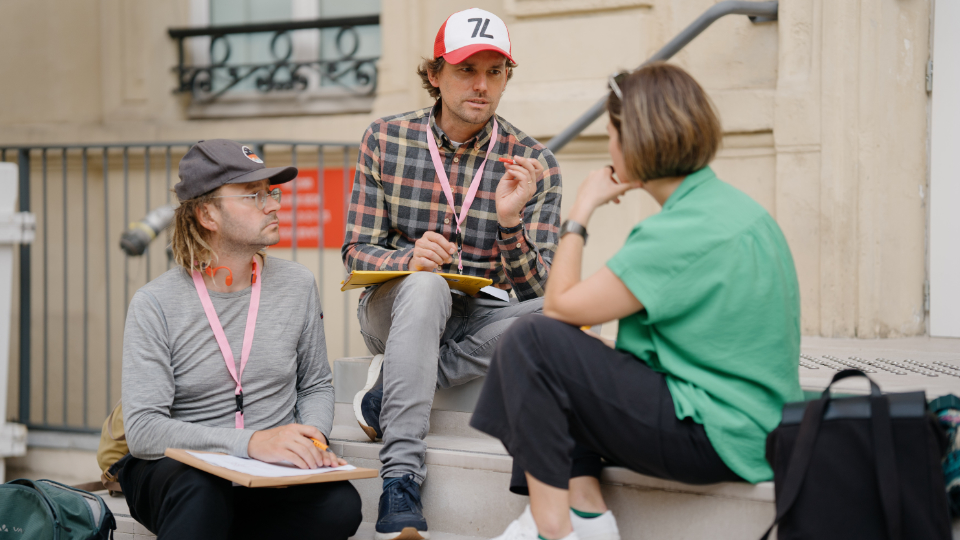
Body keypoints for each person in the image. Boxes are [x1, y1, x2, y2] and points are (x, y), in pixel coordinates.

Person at [471, 63, 804, 540]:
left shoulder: (678, 232)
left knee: (531, 340)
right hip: (756, 426)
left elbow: (558, 305)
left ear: (635, 139)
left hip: (716, 435)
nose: (609, 148)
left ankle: (551, 529)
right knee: (562, 355)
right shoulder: (736, 209)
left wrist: (580, 212)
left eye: (611, 135)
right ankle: (587, 514)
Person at [341, 8, 562, 539]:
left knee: (568, 313)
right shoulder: (386, 139)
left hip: (482, 317)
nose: (481, 85)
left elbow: (539, 292)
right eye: (466, 70)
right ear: (435, 74)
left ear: (506, 78)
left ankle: (397, 383)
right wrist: (408, 261)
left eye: (495, 71)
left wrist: (510, 222)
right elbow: (355, 252)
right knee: (425, 285)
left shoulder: (534, 163)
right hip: (397, 308)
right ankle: (401, 477)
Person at [120, 139, 362, 540]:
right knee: (202, 492)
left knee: (341, 507)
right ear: (207, 213)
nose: (272, 205)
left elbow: (315, 385)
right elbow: (144, 429)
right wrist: (250, 443)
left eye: (271, 193)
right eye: (253, 195)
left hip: (268, 471)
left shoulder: (298, 284)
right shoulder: (155, 303)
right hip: (183, 469)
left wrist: (312, 438)